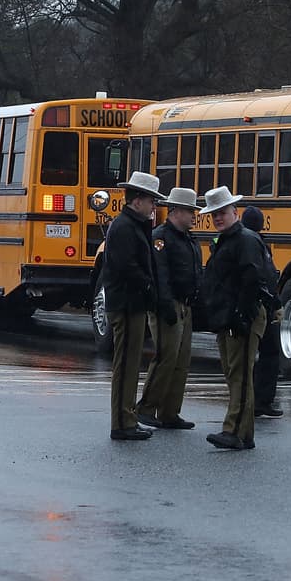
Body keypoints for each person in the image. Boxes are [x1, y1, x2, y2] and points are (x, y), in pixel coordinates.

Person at [198, 186, 269, 450]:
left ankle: (233, 430)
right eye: (214, 214)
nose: (218, 218)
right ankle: (244, 432)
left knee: (238, 375)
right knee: (235, 374)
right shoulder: (226, 240)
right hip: (228, 316)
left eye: (222, 213)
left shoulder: (245, 240)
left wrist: (241, 314)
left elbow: (252, 278)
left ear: (235, 212)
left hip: (242, 317)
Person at [103, 171, 164, 441]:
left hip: (133, 303)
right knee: (125, 365)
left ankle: (127, 417)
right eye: (152, 200)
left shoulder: (134, 225)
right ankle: (121, 422)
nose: (154, 206)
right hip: (126, 304)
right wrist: (149, 286)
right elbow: (127, 267)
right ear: (137, 200)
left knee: (130, 364)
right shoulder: (125, 227)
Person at [136, 187, 202, 430]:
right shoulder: (161, 237)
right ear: (176, 211)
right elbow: (160, 274)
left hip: (185, 304)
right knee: (166, 357)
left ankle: (169, 411)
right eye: (190, 211)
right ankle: (145, 407)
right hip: (169, 304)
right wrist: (165, 306)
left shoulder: (187, 238)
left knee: (181, 361)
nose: (195, 216)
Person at [241, 206, 284, 418]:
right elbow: (264, 276)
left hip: (263, 305)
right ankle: (255, 401)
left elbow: (268, 275)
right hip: (255, 306)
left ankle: (260, 401)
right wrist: (276, 302)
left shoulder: (257, 243)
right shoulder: (254, 244)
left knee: (267, 352)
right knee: (255, 355)